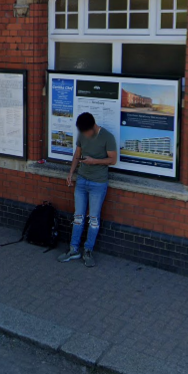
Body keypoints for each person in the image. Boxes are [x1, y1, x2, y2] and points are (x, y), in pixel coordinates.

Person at [57, 111, 117, 267]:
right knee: (78, 217)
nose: (84, 134)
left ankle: (88, 250)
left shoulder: (107, 137)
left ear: (93, 127)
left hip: (98, 183)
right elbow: (77, 154)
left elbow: (113, 160)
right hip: (82, 180)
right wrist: (71, 173)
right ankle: (73, 249)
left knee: (94, 219)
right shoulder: (83, 134)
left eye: (86, 131)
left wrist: (93, 161)